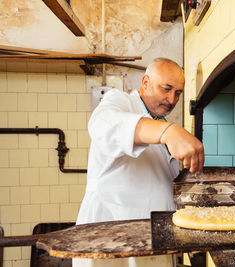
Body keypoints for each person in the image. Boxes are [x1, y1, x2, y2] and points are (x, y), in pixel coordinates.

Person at [73, 58, 204, 267]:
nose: (171, 99)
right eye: (166, 89)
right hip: (111, 242)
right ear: (145, 82)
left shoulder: (156, 122)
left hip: (151, 242)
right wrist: (169, 131)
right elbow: (102, 124)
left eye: (178, 93)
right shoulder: (121, 102)